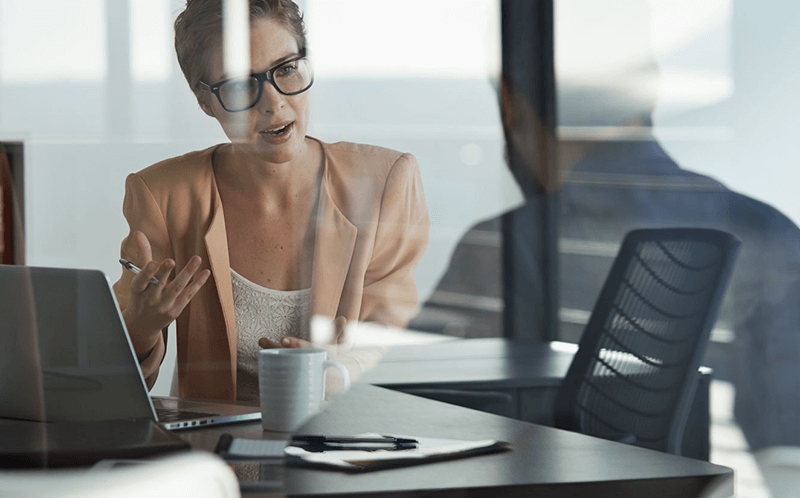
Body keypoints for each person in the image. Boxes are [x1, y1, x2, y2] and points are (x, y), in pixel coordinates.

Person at [112, 0, 429, 403]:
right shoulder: (163, 195)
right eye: (241, 85)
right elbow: (112, 385)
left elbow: (391, 342)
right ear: (205, 100)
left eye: (286, 69)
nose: (273, 102)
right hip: (216, 455)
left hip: (343, 452)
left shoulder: (386, 183)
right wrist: (140, 329)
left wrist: (337, 371)